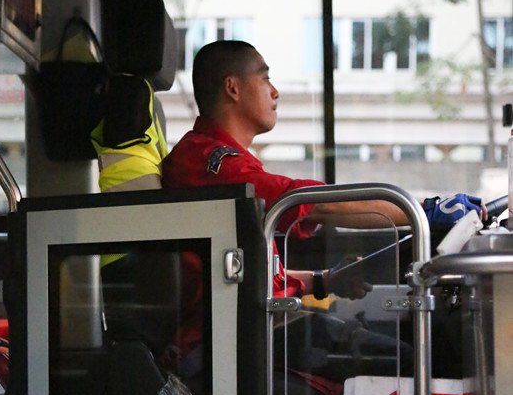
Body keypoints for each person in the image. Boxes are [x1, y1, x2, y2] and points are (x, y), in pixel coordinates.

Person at [161, 40, 485, 306]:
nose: (275, 92)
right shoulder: (213, 163)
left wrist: (326, 280)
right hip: (223, 343)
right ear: (233, 88)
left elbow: (251, 278)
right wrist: (426, 211)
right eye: (265, 79)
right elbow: (315, 203)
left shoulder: (219, 157)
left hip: (250, 326)